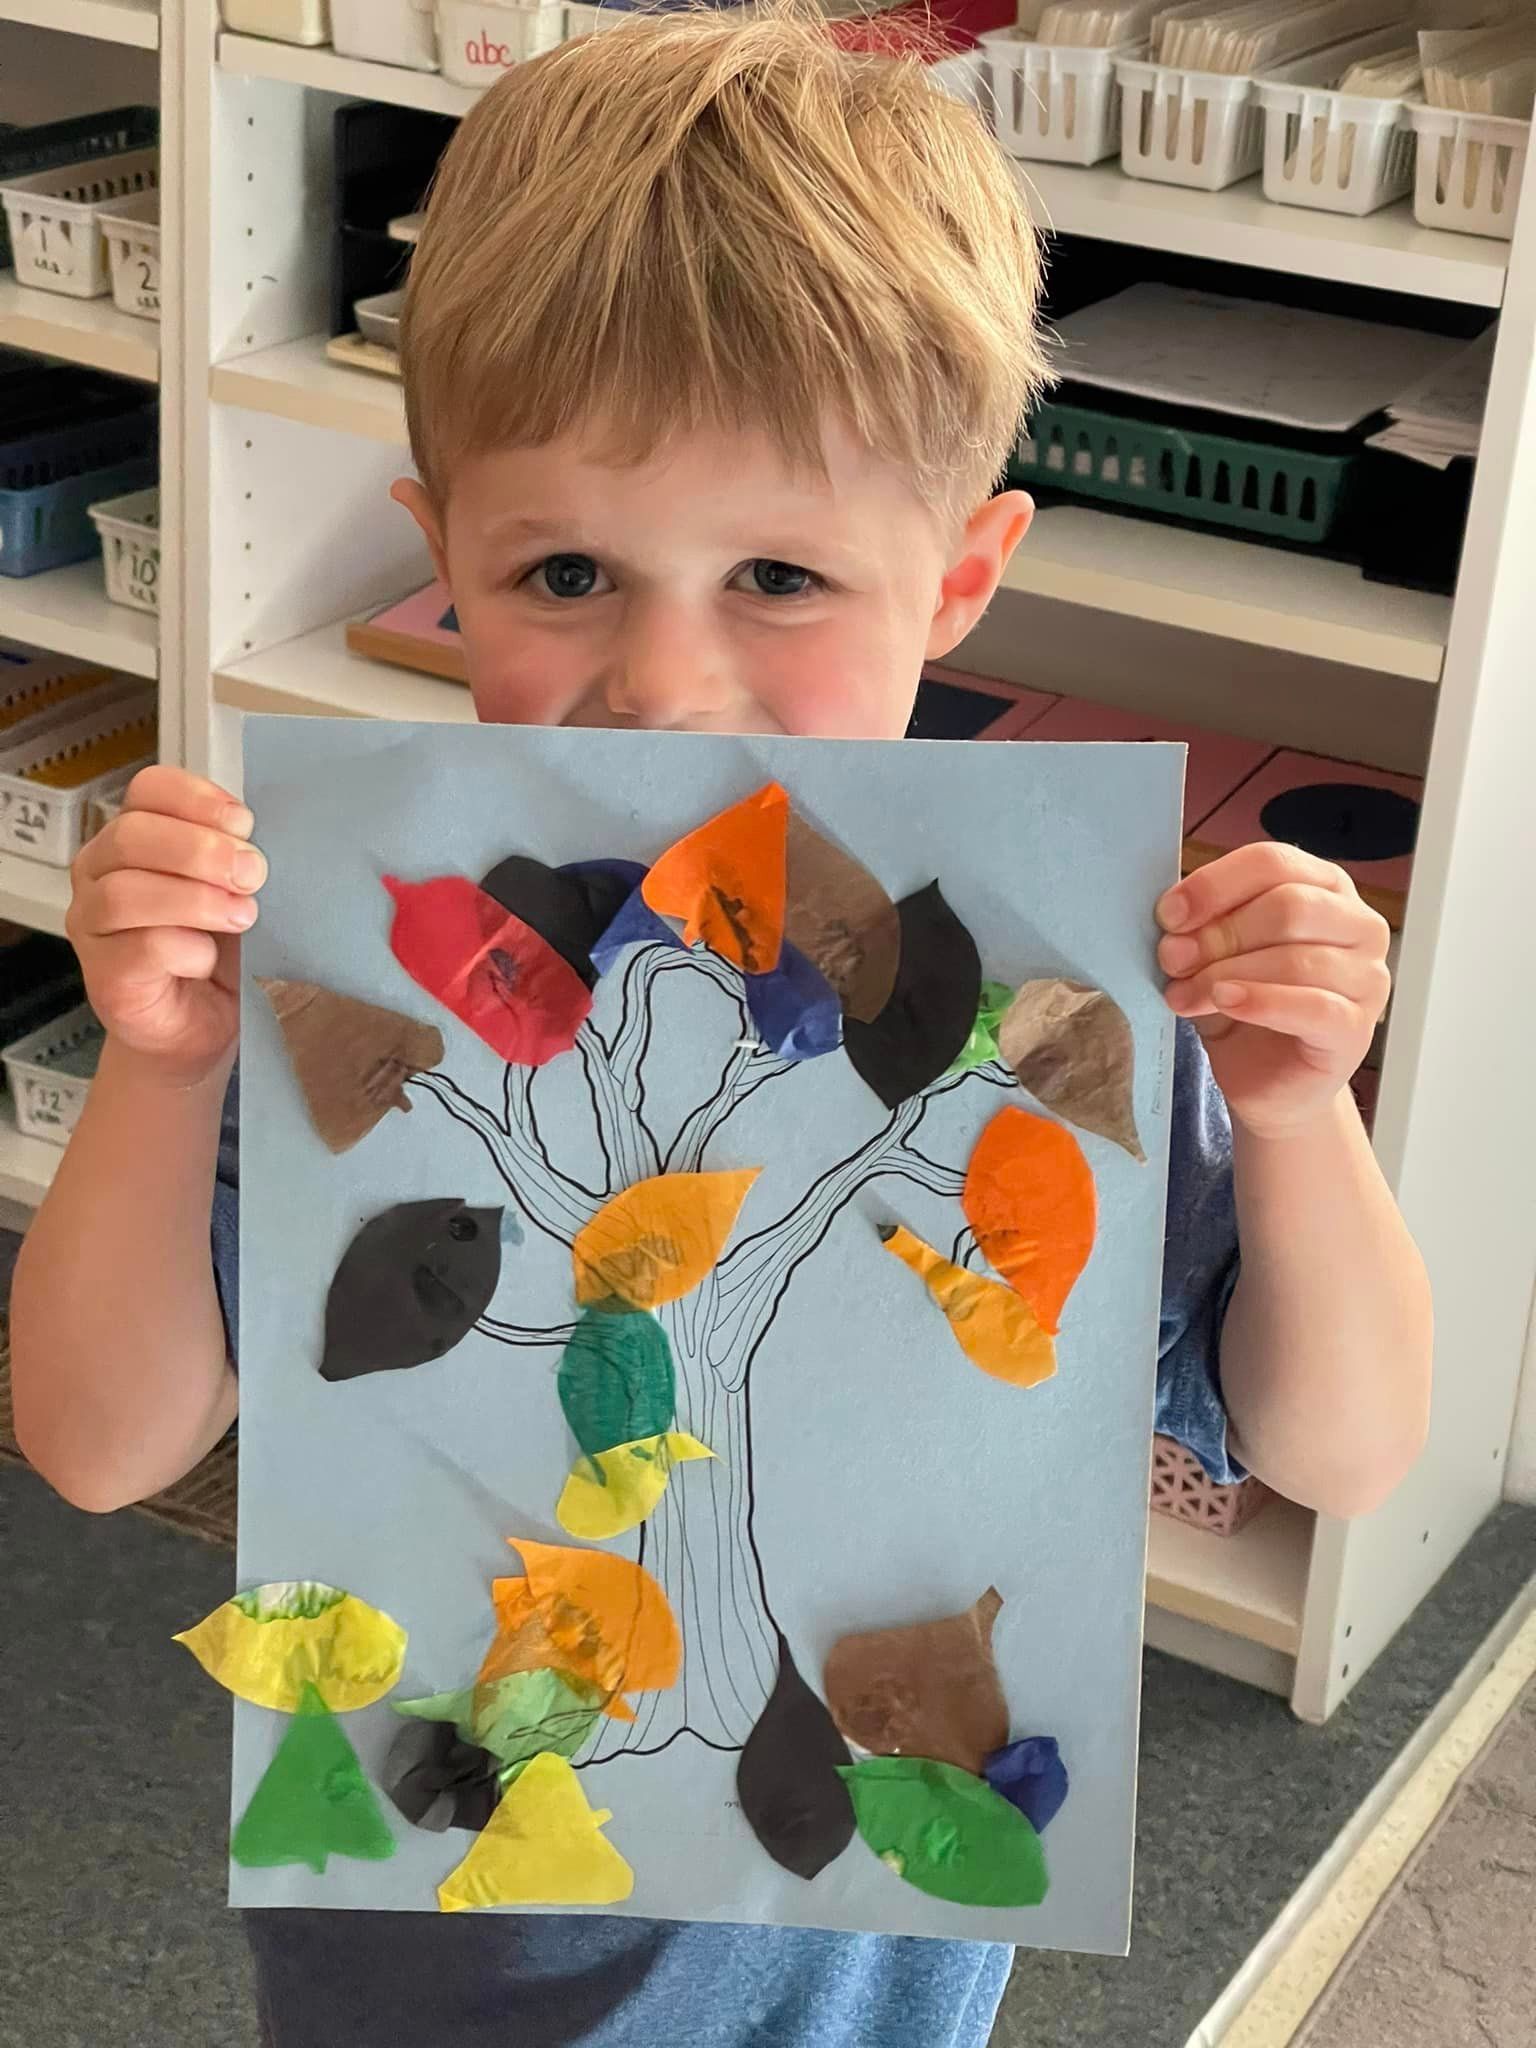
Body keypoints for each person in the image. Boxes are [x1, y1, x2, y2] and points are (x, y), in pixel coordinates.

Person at [11, 12, 1431, 2046]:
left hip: (857, 1955)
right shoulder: (374, 984)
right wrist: (159, 1077)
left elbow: (1346, 1441)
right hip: (422, 1935)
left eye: (778, 573)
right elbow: (95, 1441)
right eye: (566, 569)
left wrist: (1300, 1121)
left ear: (960, 574)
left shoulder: (1040, 1007)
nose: (664, 682)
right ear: (442, 552)